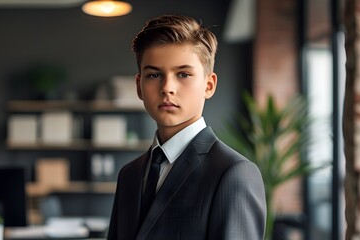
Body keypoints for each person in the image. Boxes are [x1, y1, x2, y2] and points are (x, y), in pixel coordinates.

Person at [107, 14, 266, 240]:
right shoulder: (129, 175)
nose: (167, 88)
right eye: (154, 75)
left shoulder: (232, 173)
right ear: (139, 86)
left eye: (183, 74)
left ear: (209, 85)